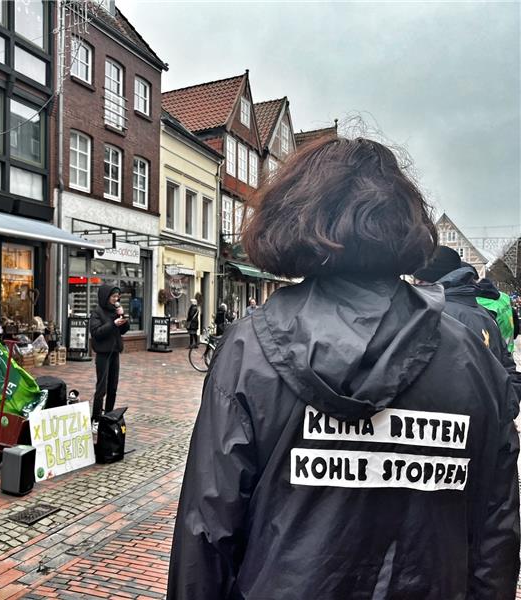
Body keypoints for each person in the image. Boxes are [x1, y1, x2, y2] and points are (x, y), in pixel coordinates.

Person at [168, 137, 519, 599]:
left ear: (294, 217)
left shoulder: (249, 350)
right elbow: (497, 530)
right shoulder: (470, 358)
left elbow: (207, 530)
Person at [414, 248, 521, 405]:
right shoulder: (484, 312)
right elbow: (507, 368)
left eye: (418, 282)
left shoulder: (434, 317)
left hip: (461, 419)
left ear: (427, 282)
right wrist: (504, 414)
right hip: (487, 416)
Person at [89, 284, 129, 431]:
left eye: (117, 296)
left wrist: (122, 317)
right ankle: (96, 419)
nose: (116, 299)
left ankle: (109, 416)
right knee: (102, 388)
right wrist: (112, 324)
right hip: (103, 354)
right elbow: (96, 332)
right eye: (113, 296)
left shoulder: (115, 310)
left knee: (113, 387)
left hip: (115, 353)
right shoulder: (97, 312)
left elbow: (124, 330)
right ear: (106, 297)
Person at [476, 276, 519, 353]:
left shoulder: (481, 305)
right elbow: (514, 319)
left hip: (496, 353)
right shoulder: (504, 297)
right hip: (509, 349)